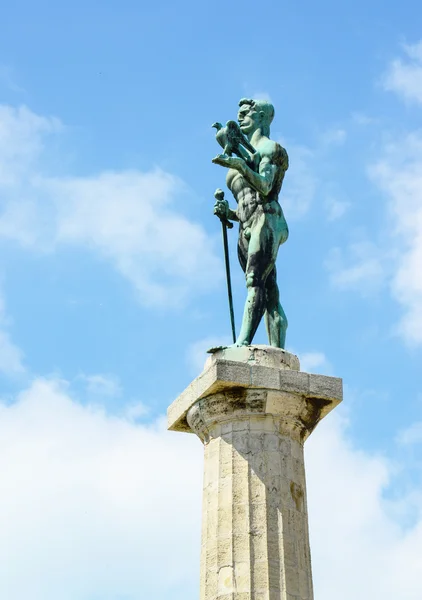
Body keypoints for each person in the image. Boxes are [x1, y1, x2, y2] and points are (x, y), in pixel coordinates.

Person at [213, 98, 289, 348]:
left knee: (254, 280)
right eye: (240, 113)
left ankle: (242, 343)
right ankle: (278, 352)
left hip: (267, 219)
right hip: (248, 223)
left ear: (263, 118)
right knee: (269, 291)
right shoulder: (245, 151)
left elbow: (266, 187)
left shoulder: (270, 149)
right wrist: (229, 213)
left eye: (247, 113)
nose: (241, 116)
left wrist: (239, 165)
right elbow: (245, 204)